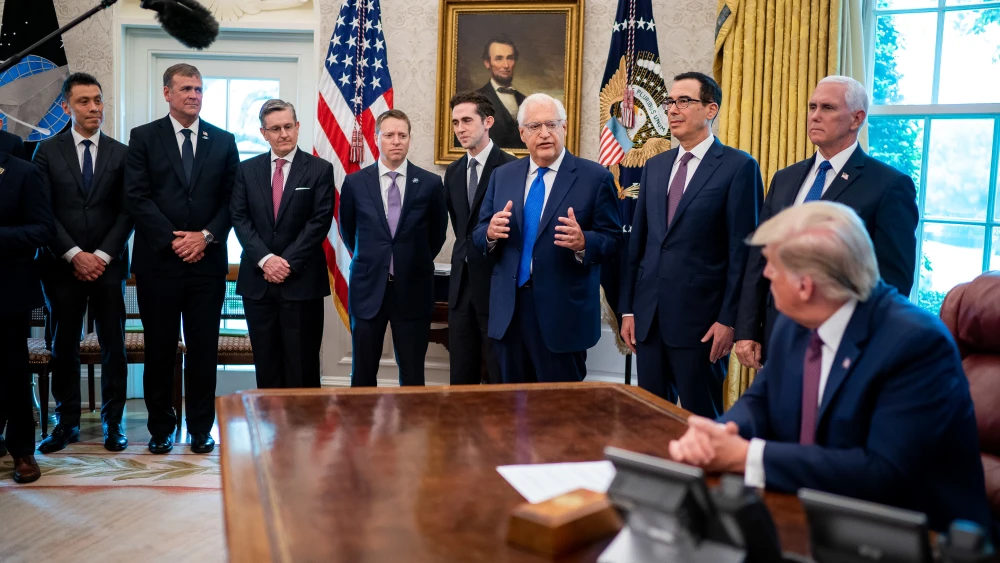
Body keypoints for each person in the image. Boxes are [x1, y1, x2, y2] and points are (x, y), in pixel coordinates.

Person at [668, 201, 991, 533]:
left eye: (773, 267)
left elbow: (883, 474)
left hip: (913, 536)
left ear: (805, 287)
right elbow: (762, 400)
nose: (765, 274)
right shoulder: (796, 322)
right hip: (811, 511)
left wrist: (746, 456)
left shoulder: (917, 344)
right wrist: (721, 434)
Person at [734, 75, 918, 370]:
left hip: (841, 341)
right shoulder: (785, 178)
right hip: (776, 331)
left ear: (856, 118)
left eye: (828, 108)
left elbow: (893, 278)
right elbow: (760, 257)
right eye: (812, 107)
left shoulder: (889, 185)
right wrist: (746, 329)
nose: (815, 116)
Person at [619, 72, 763, 417]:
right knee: (652, 422)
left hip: (703, 326)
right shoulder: (655, 166)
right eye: (669, 102)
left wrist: (730, 321)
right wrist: (628, 308)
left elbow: (743, 254)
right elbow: (637, 244)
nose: (672, 109)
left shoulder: (738, 167)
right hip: (649, 321)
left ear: (710, 109)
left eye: (684, 101)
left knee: (702, 422)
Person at [124, 63, 239, 454]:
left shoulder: (223, 141)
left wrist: (204, 237)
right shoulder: (142, 138)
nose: (194, 95)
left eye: (199, 89)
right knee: (159, 349)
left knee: (204, 349)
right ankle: (160, 429)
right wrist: (174, 240)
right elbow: (136, 196)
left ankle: (201, 429)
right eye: (186, 88)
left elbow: (231, 200)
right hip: (159, 264)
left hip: (206, 266)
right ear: (167, 93)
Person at [473, 93, 621, 383]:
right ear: (522, 134)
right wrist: (489, 233)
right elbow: (478, 234)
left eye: (552, 125)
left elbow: (614, 241)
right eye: (535, 126)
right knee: (510, 411)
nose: (544, 134)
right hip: (510, 315)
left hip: (562, 318)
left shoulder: (595, 177)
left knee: (559, 416)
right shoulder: (502, 176)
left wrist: (584, 243)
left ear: (564, 128)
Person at [34, 72, 132, 453]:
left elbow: (128, 212)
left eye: (98, 100)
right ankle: (66, 424)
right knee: (63, 346)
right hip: (62, 267)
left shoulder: (122, 153)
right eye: (84, 102)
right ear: (66, 107)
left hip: (109, 266)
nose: (94, 108)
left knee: (114, 347)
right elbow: (43, 211)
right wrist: (75, 255)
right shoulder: (46, 151)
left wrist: (101, 256)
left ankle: (113, 423)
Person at [339, 109, 448, 387]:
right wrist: (376, 259)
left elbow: (437, 235)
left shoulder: (430, 183)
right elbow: (348, 231)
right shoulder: (355, 183)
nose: (396, 141)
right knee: (362, 375)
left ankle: (409, 431)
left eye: (402, 135)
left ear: (410, 139)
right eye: (389, 135)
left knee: (412, 375)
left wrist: (407, 260)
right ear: (377, 139)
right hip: (368, 289)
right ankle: (362, 431)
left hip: (413, 290)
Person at [230, 99, 334, 389]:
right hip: (258, 284)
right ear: (264, 133)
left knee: (302, 366)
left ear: (298, 127)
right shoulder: (246, 170)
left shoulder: (319, 170)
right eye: (275, 129)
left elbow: (319, 221)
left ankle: (303, 433)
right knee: (267, 365)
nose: (283, 133)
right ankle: (269, 432)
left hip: (301, 282)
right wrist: (266, 260)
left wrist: (285, 263)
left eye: (288, 126)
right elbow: (239, 218)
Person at [444, 91, 517, 385]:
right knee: (461, 376)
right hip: (460, 289)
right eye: (455, 122)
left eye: (466, 120)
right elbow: (460, 229)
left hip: (497, 286)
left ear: (488, 121)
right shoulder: (452, 172)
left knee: (500, 375)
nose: (460, 128)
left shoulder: (512, 168)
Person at [0, 150, 55, 482]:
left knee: (13, 373)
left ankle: (22, 452)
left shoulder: (22, 172)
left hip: (8, 292)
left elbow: (43, 230)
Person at [476, 36, 526, 149]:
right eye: (499, 58)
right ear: (487, 63)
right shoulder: (476, 100)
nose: (506, 65)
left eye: (510, 58)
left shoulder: (525, 100)